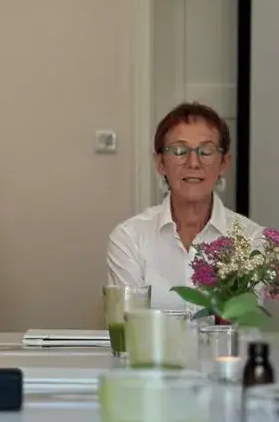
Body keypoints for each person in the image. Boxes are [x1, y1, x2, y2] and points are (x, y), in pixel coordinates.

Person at [107, 101, 265, 306]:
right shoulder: (130, 238)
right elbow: (128, 321)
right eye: (179, 151)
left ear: (224, 163)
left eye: (206, 152)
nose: (193, 163)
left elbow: (244, 320)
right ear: (160, 163)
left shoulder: (251, 240)